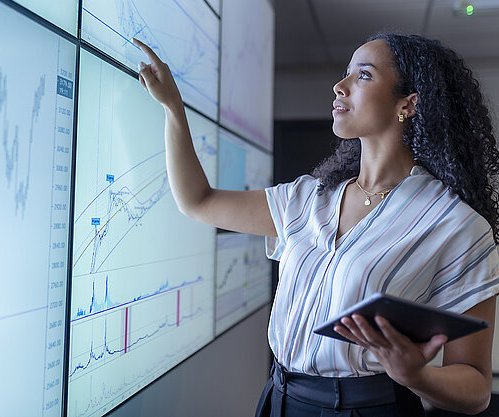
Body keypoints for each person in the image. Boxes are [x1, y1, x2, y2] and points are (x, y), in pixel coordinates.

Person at [132, 33, 499, 416]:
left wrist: (415, 375)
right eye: (345, 74)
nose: (340, 86)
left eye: (364, 76)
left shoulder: (456, 224)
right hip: (279, 397)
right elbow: (199, 201)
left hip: (369, 407)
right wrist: (173, 108)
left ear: (407, 104)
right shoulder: (309, 198)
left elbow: (476, 387)